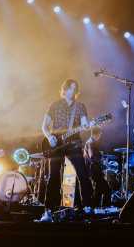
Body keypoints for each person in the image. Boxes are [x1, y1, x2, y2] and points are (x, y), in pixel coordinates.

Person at [37, 79, 93, 222]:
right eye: (70, 88)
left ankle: (87, 207)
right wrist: (49, 137)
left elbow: (84, 124)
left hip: (74, 144)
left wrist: (87, 125)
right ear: (65, 89)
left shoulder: (80, 106)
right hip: (56, 144)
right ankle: (48, 211)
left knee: (83, 174)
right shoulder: (54, 105)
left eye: (75, 89)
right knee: (53, 177)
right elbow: (44, 126)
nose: (73, 91)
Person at [83, 126, 111, 208]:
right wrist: (102, 159)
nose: (100, 136)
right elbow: (92, 157)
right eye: (100, 134)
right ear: (97, 134)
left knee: (98, 191)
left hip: (93, 171)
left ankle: (95, 208)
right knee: (106, 190)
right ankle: (106, 208)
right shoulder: (91, 143)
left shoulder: (90, 142)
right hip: (94, 171)